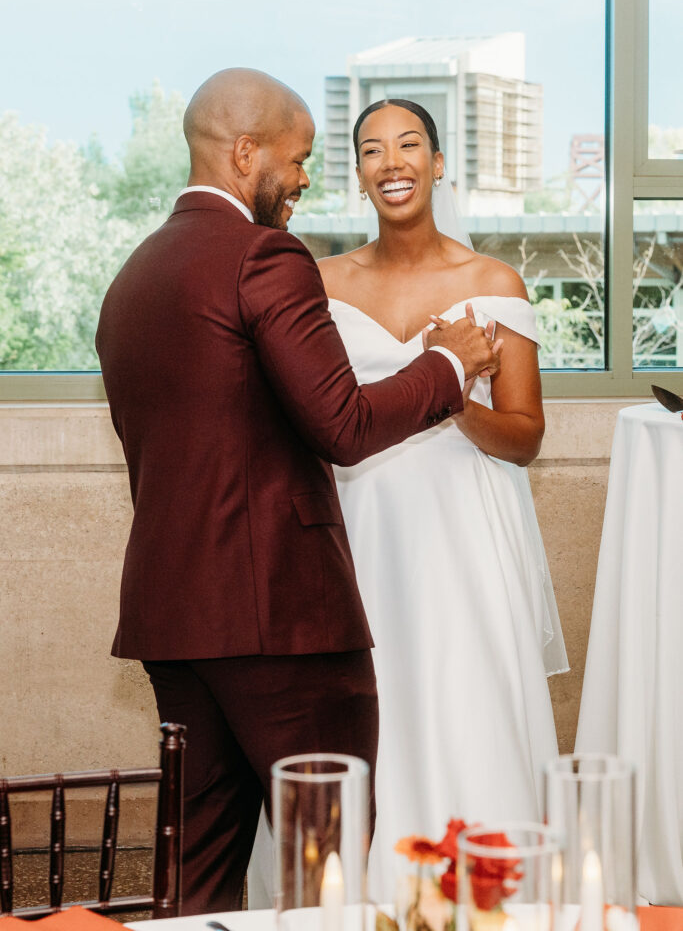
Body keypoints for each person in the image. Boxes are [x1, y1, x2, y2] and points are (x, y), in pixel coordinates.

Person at [95, 71, 501, 915]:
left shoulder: (136, 275)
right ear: (245, 154)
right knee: (327, 864)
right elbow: (342, 424)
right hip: (280, 617)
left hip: (175, 619)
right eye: (299, 156)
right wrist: (450, 365)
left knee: (196, 872)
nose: (308, 176)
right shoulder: (263, 255)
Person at [318, 99, 569, 901]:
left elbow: (525, 436)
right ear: (356, 174)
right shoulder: (319, 284)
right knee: (367, 708)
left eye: (407, 145)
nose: (390, 162)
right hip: (360, 526)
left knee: (466, 703)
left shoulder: (491, 283)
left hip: (463, 534)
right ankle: (365, 898)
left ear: (436, 163)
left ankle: (484, 893)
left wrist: (450, 385)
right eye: (370, 150)